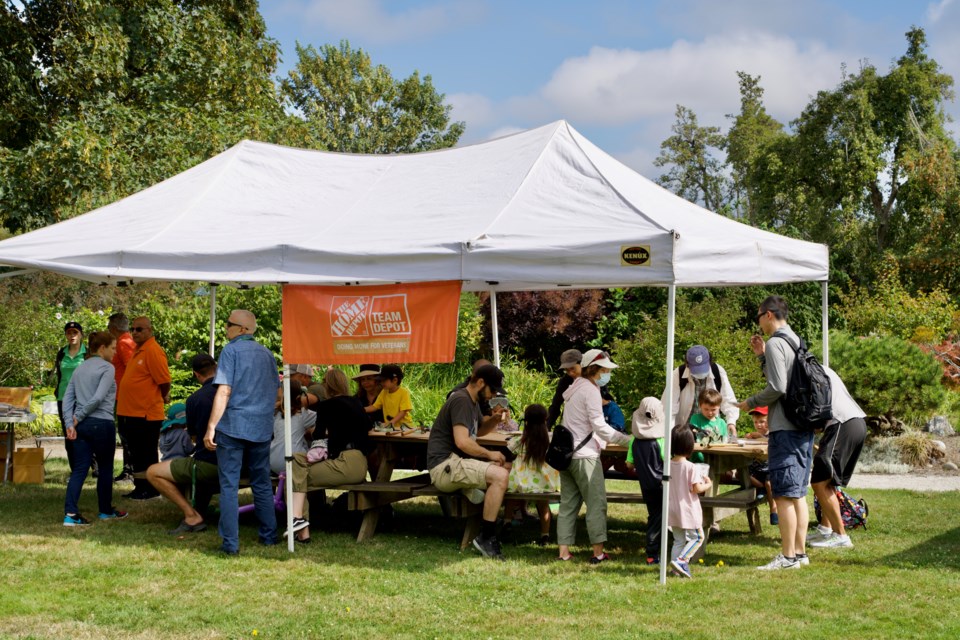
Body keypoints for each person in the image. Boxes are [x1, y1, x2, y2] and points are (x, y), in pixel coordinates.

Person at [737, 295, 815, 571]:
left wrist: (751, 402)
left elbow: (778, 387)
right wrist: (762, 357)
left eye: (758, 316)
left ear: (768, 315)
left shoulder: (775, 343)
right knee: (797, 494)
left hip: (785, 428)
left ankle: (787, 556)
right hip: (803, 426)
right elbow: (786, 378)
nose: (758, 322)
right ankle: (800, 553)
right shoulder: (796, 340)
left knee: (782, 494)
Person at [203, 310, 280, 555]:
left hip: (233, 426)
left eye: (229, 325)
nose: (226, 329)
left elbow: (224, 390)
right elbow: (275, 391)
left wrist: (212, 425)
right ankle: (269, 535)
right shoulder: (268, 354)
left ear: (242, 329)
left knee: (228, 485)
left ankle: (230, 544)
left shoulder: (231, 351)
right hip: (261, 428)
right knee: (262, 484)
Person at [426, 364, 510, 560]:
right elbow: (462, 441)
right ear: (480, 383)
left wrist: (494, 420)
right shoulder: (461, 400)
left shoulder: (471, 401)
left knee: (504, 470)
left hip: (452, 463)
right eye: (492, 390)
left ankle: (487, 525)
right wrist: (489, 455)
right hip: (444, 465)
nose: (492, 396)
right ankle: (487, 537)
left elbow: (478, 431)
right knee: (500, 475)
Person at [556, 349, 631, 564]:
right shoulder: (590, 391)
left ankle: (564, 552)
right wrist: (629, 440)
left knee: (568, 505)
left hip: (568, 455)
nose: (608, 373)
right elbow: (600, 427)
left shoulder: (574, 388)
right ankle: (598, 552)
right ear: (595, 370)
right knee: (596, 504)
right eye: (605, 369)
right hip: (586, 456)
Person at [288, 368, 371, 543]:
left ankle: (301, 526)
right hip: (360, 462)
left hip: (344, 462)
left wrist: (312, 431)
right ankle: (299, 521)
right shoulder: (357, 403)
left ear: (328, 385)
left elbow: (317, 436)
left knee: (295, 477)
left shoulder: (327, 405)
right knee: (296, 459)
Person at [146, 354, 220, 534]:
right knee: (199, 468)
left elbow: (194, 437)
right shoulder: (233, 392)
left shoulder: (194, 399)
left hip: (210, 463)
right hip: (242, 461)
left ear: (196, 374)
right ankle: (199, 510)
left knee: (152, 472)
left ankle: (191, 515)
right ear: (216, 367)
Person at [62, 331, 126, 525]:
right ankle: (105, 511)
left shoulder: (79, 369)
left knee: (80, 469)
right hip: (101, 423)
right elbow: (98, 398)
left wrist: (70, 422)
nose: (115, 352)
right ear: (102, 348)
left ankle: (70, 514)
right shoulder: (107, 368)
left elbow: (67, 398)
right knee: (106, 468)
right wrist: (76, 418)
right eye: (113, 348)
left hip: (82, 426)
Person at [809, 367, 867, 550]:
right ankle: (826, 529)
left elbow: (815, 409)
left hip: (843, 422)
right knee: (829, 482)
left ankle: (841, 536)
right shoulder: (816, 368)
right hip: (855, 422)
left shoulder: (804, 371)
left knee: (819, 482)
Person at [117, 316, 171, 500]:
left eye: (139, 329)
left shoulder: (153, 350)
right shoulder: (138, 350)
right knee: (135, 455)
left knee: (145, 454)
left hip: (145, 414)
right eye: (133, 329)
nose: (135, 333)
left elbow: (164, 381)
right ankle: (140, 487)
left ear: (150, 330)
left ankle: (151, 489)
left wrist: (164, 397)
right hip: (131, 413)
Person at [503, 404, 559, 545]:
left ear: (526, 420)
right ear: (546, 419)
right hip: (544, 483)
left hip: (521, 484)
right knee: (544, 506)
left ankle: (507, 523)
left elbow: (508, 450)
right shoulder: (550, 440)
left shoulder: (520, 440)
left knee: (510, 497)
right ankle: (545, 535)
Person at [663, 345, 740, 440]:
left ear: (709, 362)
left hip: (712, 430)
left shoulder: (717, 371)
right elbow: (668, 408)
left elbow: (728, 400)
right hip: (685, 431)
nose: (700, 373)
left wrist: (731, 422)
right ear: (687, 364)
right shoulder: (677, 374)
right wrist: (669, 435)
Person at [667, 425, 712, 578]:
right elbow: (696, 488)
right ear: (689, 445)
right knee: (698, 537)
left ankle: (675, 569)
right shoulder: (691, 467)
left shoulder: (667, 465)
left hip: (672, 508)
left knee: (678, 540)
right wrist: (708, 484)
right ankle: (681, 560)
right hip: (687, 509)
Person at [626, 396, 667, 565]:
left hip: (645, 485)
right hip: (661, 483)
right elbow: (668, 460)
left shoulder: (634, 441)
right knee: (657, 519)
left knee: (654, 515)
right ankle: (652, 552)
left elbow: (629, 464)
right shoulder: (661, 440)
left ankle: (658, 548)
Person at [108, 312, 137, 483]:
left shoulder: (123, 343)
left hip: (124, 396)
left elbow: (131, 369)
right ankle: (129, 470)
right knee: (126, 434)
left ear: (113, 327)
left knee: (126, 435)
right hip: (122, 395)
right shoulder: (127, 341)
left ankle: (129, 472)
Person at [54, 321, 87, 471]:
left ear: (81, 334)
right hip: (63, 398)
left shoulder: (87, 353)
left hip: (82, 399)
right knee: (69, 435)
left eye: (75, 332)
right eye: (69, 333)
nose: (72, 335)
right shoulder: (62, 353)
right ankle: (75, 469)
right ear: (66, 335)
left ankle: (93, 468)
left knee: (84, 434)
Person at [269, 379, 316, 474]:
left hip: (273, 462)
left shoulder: (275, 414)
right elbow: (323, 419)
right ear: (299, 396)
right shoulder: (303, 414)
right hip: (293, 461)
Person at [745, 406, 778, 525]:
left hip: (770, 468)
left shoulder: (774, 434)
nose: (758, 425)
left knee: (769, 483)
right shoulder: (754, 435)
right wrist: (748, 440)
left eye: (762, 422)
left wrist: (761, 438)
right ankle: (761, 487)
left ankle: (773, 511)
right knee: (741, 473)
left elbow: (772, 443)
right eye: (755, 422)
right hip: (756, 470)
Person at [365, 364, 413, 429]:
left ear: (394, 380)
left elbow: (403, 412)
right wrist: (360, 409)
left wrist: (391, 422)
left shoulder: (404, 393)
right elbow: (374, 407)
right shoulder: (383, 392)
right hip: (390, 428)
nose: (381, 383)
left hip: (405, 427)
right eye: (381, 381)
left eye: (384, 380)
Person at [547, 349, 582, 430]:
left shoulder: (593, 379)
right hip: (569, 424)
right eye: (567, 370)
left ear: (582, 364)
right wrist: (546, 428)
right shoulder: (565, 381)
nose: (570, 373)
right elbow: (555, 407)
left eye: (573, 368)